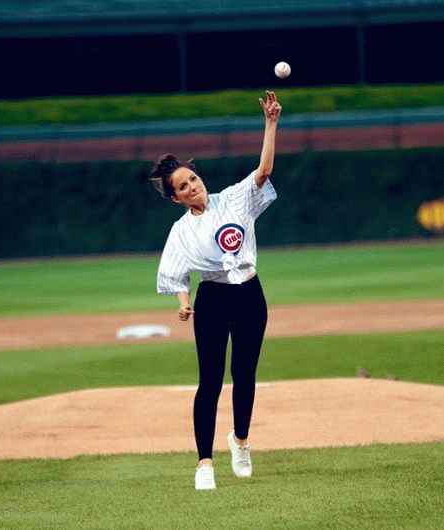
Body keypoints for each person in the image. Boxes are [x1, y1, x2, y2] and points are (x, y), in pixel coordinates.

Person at [151, 91, 282, 490]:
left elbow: (263, 170)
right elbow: (175, 272)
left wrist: (271, 123)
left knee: (244, 374)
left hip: (250, 295)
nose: (191, 186)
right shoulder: (181, 230)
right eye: (182, 186)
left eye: (192, 178)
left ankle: (240, 441)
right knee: (209, 381)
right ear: (175, 198)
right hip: (212, 299)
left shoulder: (235, 200)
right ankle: (204, 463)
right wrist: (183, 301)